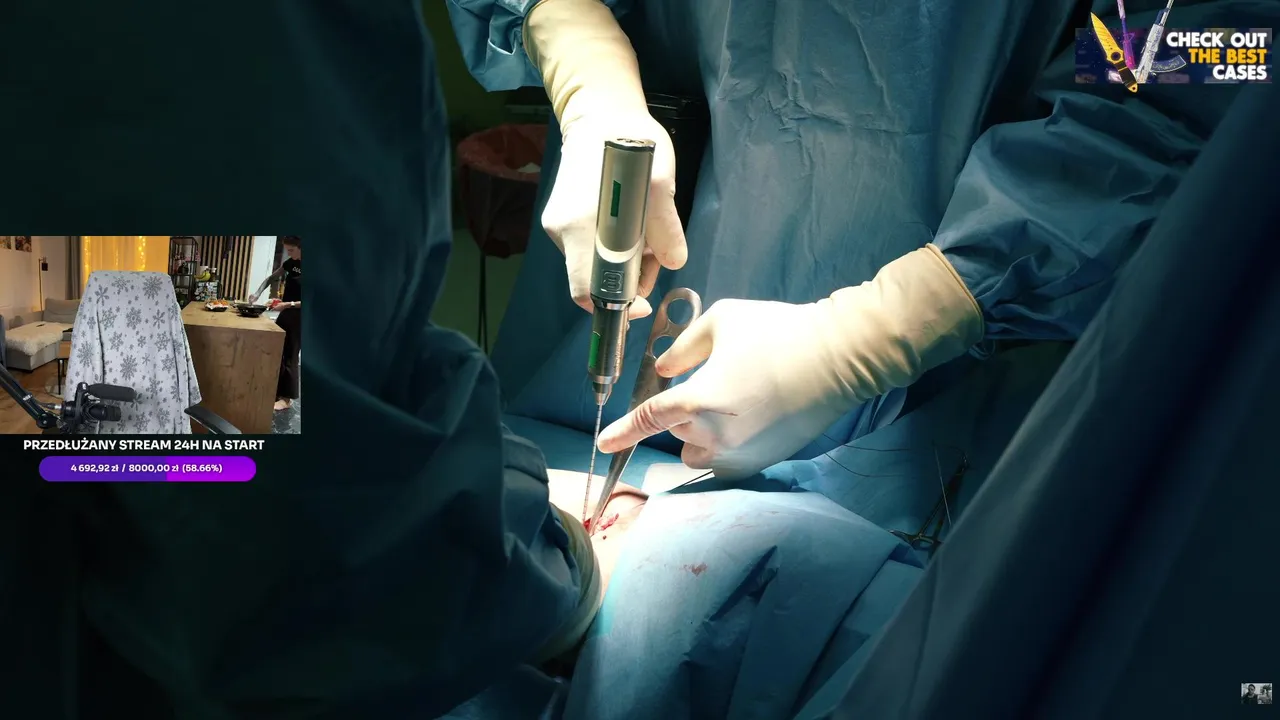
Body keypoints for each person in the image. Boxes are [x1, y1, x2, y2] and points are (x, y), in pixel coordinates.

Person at [446, 0, 1257, 482]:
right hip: (593, 348)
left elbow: (1204, 60)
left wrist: (887, 329)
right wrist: (580, 51)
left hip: (948, 393)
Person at [251, 236, 303, 411]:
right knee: (278, 350)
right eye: (287, 250)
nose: (289, 254)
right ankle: (277, 390)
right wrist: (257, 293)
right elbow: (271, 278)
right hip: (286, 312)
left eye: (291, 250)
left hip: (300, 317)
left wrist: (288, 304)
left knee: (291, 355)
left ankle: (287, 399)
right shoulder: (291, 263)